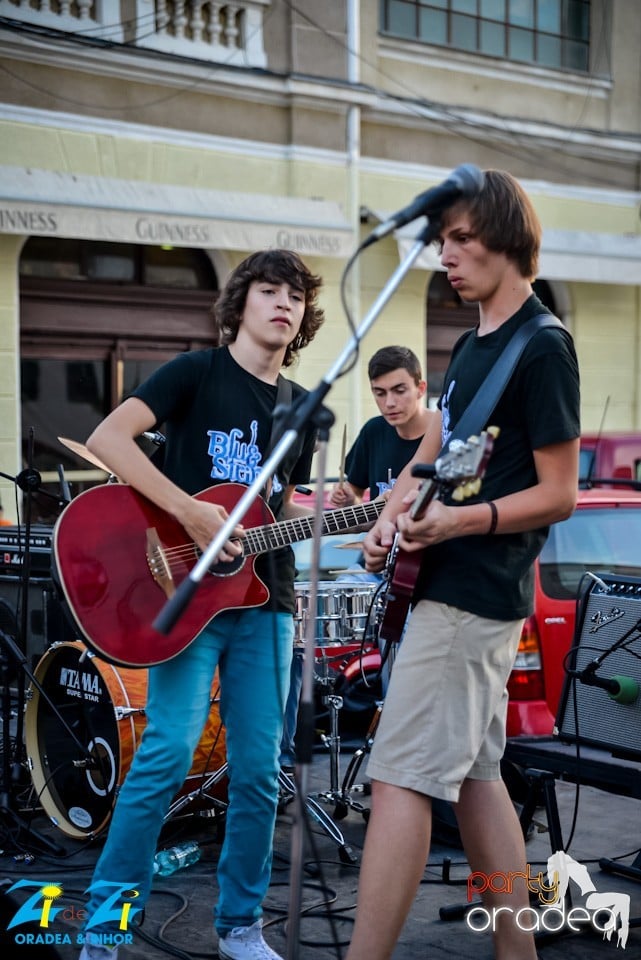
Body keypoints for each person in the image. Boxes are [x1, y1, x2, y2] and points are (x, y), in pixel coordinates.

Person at [345, 170, 580, 960]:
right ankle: (517, 953)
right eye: (441, 240)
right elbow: (440, 454)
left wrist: (457, 521)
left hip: (472, 596)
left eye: (460, 239)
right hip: (451, 588)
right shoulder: (473, 345)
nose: (444, 255)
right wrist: (390, 520)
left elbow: (558, 493)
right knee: (480, 784)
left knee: (399, 778)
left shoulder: (543, 347)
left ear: (507, 241)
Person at [79, 249, 325, 960]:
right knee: (165, 754)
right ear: (240, 303)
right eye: (269, 291)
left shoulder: (301, 410)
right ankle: (105, 925)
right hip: (182, 594)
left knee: (256, 769)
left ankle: (240, 926)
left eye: (296, 297)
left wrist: (343, 515)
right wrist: (189, 513)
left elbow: (278, 509)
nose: (283, 304)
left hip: (263, 600)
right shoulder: (195, 372)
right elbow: (106, 440)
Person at [328, 345, 437, 510]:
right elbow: (356, 493)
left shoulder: (446, 431)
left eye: (399, 391)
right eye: (379, 393)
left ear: (421, 389)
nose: (389, 403)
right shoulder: (373, 431)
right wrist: (350, 500)